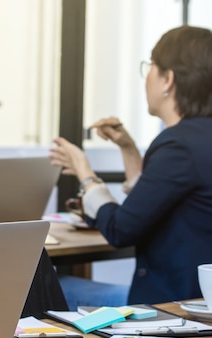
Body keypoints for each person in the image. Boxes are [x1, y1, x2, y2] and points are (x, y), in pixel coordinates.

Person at [49, 25, 212, 305]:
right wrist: (129, 149)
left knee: (44, 289)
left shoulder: (178, 145)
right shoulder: (197, 141)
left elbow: (121, 230)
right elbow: (160, 203)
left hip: (170, 310)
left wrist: (85, 175)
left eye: (151, 66)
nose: (146, 76)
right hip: (197, 301)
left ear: (167, 80)